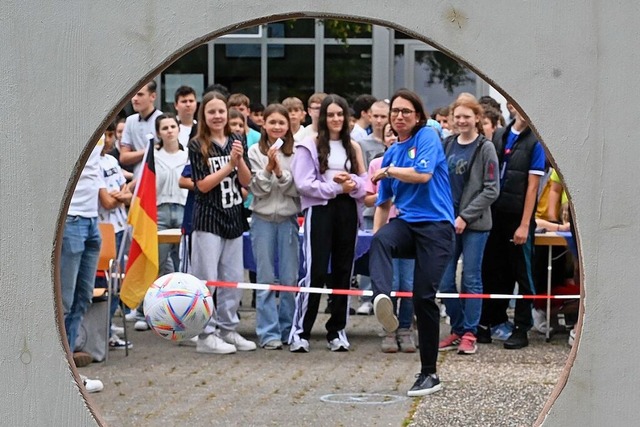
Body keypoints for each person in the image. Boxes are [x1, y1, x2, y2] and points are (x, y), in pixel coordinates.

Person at [369, 89, 454, 396]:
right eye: (396, 112)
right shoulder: (389, 155)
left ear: (418, 116)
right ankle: (382, 300)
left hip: (436, 227)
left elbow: (423, 175)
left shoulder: (427, 137)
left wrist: (389, 170)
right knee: (380, 240)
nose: (400, 116)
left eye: (406, 111)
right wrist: (375, 243)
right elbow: (382, 204)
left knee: (423, 298)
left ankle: (430, 373)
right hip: (407, 224)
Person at [289, 94, 366, 353]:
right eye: (331, 114)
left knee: (344, 271)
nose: (336, 119)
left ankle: (337, 330)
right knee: (316, 271)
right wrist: (335, 187)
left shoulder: (353, 147)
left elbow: (365, 183)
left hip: (347, 211)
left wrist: (353, 185)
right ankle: (301, 331)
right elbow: (303, 183)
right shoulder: (308, 145)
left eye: (340, 114)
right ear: (323, 117)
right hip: (320, 211)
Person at [187, 91, 256, 354]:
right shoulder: (197, 145)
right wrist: (229, 166)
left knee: (233, 278)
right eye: (211, 112)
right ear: (204, 116)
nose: (217, 116)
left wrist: (238, 162)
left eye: (221, 111)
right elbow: (202, 186)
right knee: (207, 279)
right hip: (208, 218)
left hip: (233, 216)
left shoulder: (237, 139)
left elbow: (246, 181)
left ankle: (228, 328)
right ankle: (205, 334)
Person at [437, 96, 500, 355]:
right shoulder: (447, 144)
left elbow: (491, 189)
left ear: (477, 118)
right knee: (444, 281)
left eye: (467, 116)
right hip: (447, 222)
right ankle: (458, 326)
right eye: (457, 117)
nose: (461, 121)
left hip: (475, 225)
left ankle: (470, 333)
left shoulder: (486, 148)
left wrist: (465, 216)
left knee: (471, 279)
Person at [478, 108, 546, 349]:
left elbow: (532, 186)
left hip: (518, 217)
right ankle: (490, 321)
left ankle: (522, 327)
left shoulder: (536, 141)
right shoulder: (500, 135)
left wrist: (525, 225)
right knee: (493, 270)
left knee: (522, 273)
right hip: (495, 213)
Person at [248, 104, 300, 350]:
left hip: (288, 220)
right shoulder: (254, 151)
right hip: (262, 219)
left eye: (282, 123)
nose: (277, 127)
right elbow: (257, 190)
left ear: (288, 126)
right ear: (263, 125)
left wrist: (280, 172)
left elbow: (297, 190)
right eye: (272, 123)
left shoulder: (297, 152)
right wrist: (268, 168)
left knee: (290, 279)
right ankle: (268, 333)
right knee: (265, 277)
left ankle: (289, 329)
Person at [364, 123, 416, 353]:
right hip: (389, 230)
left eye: (397, 135)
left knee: (409, 283)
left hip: (411, 229)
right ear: (383, 139)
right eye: (389, 135)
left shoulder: (414, 164)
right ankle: (389, 329)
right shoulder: (377, 164)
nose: (394, 138)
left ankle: (406, 328)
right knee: (391, 283)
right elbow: (372, 200)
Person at [61, 137, 106, 391]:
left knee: (83, 298)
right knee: (64, 302)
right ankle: (63, 372)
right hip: (72, 219)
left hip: (91, 220)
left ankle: (70, 371)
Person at [96, 122, 133, 349]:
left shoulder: (112, 161)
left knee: (117, 284)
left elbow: (128, 195)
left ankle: (108, 329)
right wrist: (119, 196)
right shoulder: (92, 164)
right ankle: (102, 333)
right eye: (104, 135)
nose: (108, 140)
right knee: (104, 283)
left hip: (120, 227)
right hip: (103, 230)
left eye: (111, 135)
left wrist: (119, 195)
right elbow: (107, 202)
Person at [119, 81, 163, 177]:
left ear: (153, 97)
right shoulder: (130, 121)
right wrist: (149, 150)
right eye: (133, 94)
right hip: (138, 180)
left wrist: (137, 154)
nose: (134, 99)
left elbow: (165, 153)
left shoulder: (163, 120)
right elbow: (124, 157)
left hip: (159, 178)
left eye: (140, 94)